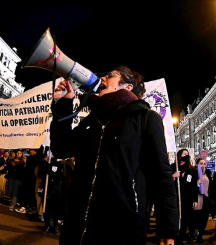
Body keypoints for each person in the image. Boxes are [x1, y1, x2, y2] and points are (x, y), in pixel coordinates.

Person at [50, 66, 179, 245]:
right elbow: (61, 148)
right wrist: (64, 103)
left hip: (122, 229)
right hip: (77, 227)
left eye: (111, 75)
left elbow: (161, 175)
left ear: (127, 87)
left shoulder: (146, 118)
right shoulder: (94, 120)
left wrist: (168, 228)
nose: (102, 78)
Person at [172, 149, 197, 245]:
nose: (186, 155)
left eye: (187, 154)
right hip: (176, 197)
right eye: (184, 154)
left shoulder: (191, 169)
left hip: (187, 198)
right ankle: (175, 235)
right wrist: (173, 176)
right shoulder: (174, 167)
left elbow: (193, 185)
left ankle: (181, 237)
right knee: (176, 217)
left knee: (185, 219)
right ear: (179, 156)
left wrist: (194, 199)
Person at [190, 157, 212, 243]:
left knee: (204, 218)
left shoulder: (208, 173)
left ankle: (200, 235)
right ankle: (192, 234)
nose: (202, 165)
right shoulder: (193, 173)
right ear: (197, 164)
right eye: (200, 163)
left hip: (206, 199)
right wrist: (197, 183)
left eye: (204, 163)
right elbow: (190, 186)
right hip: (197, 198)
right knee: (194, 218)